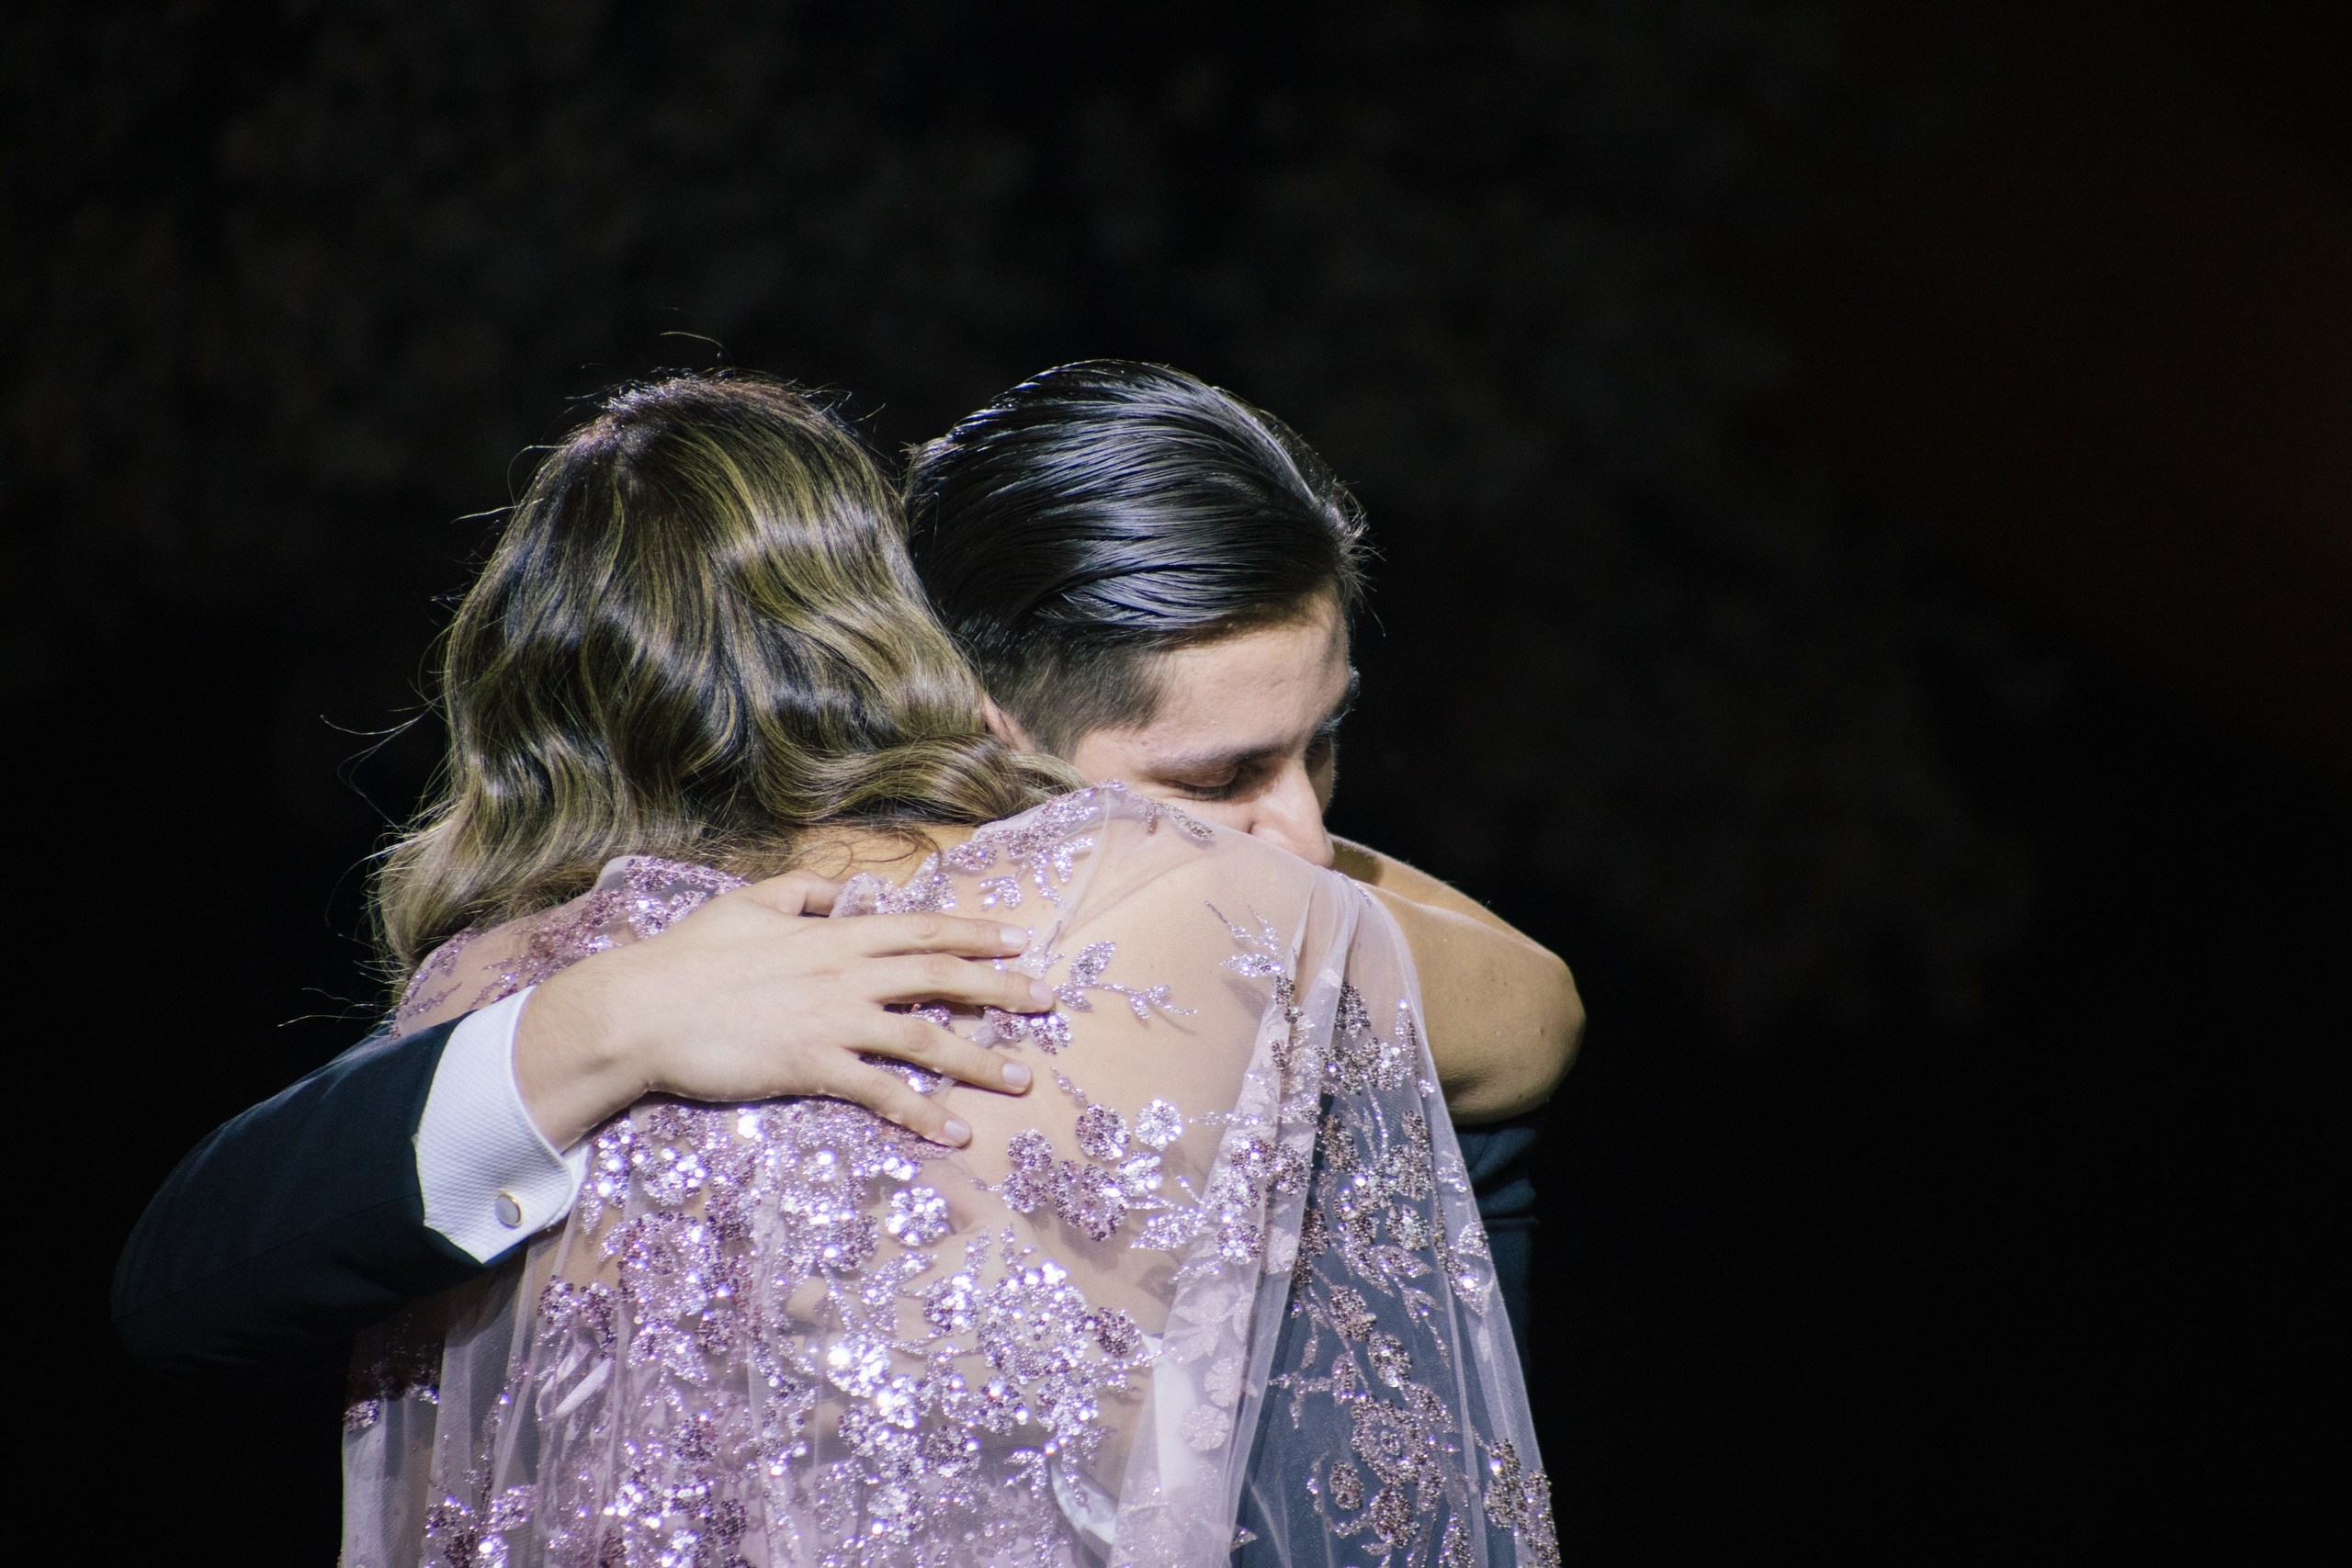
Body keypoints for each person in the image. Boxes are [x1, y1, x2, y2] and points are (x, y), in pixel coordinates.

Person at [315, 374, 1552, 1567]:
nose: (1305, 838)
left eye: (1320, 748)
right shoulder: (1151, 938)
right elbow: (1541, 1010)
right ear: (991, 733)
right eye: (1212, 782)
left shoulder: (487, 984)